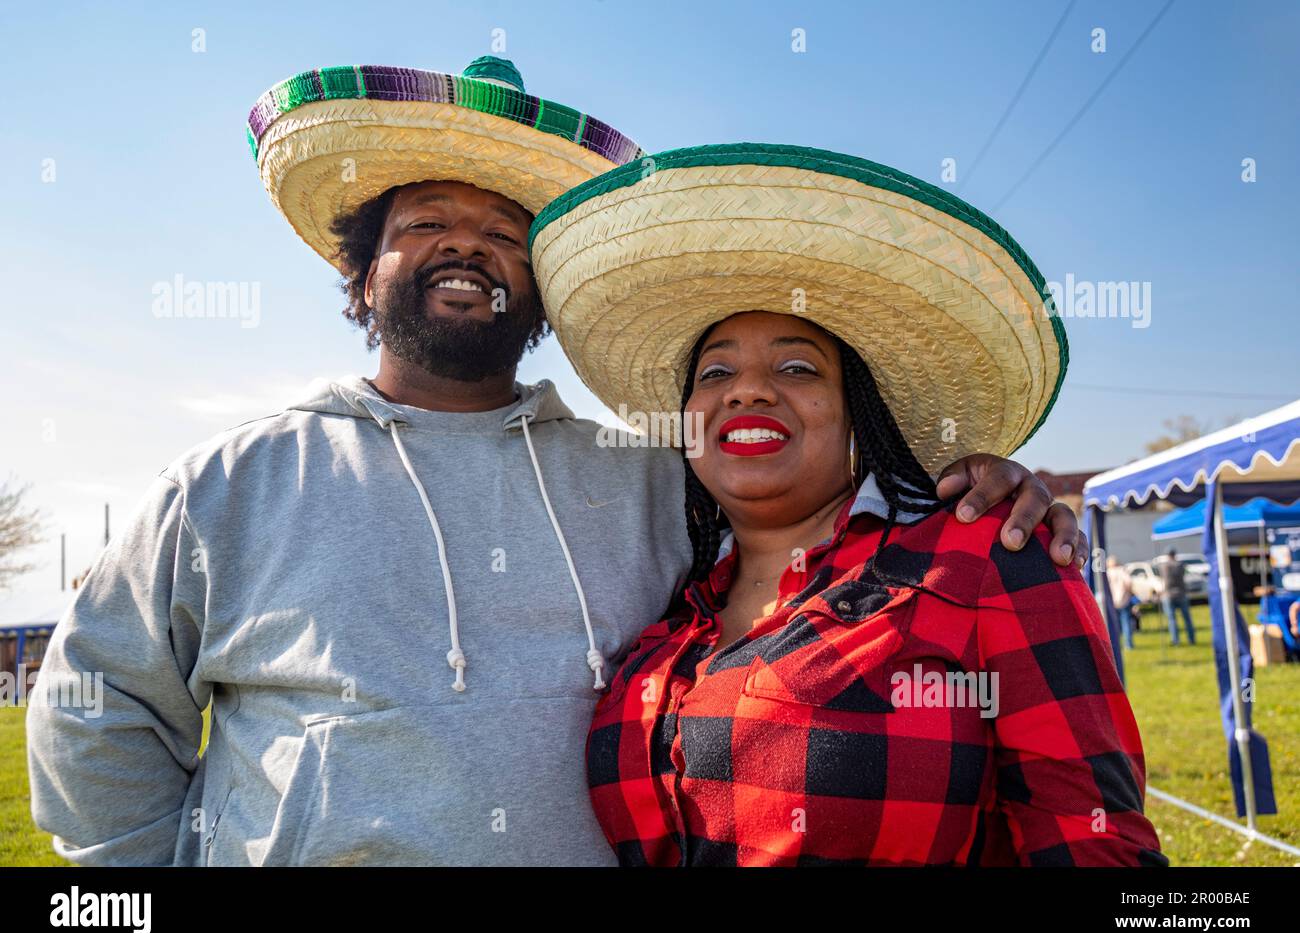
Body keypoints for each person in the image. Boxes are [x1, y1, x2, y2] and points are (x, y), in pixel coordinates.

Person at [27, 64, 1084, 867]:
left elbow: (816, 508)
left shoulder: (652, 477)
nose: (469, 247)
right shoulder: (230, 483)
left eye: (506, 232)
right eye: (426, 222)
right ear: (363, 271)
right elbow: (94, 705)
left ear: (544, 288)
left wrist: (982, 477)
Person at [530, 143, 1166, 865]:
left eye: (797, 367)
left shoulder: (986, 557)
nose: (748, 390)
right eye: (716, 373)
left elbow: (1098, 844)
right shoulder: (667, 613)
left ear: (859, 416)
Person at [1158, 547, 1196, 645]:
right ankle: (1191, 639)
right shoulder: (1180, 565)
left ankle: (1175, 640)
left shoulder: (1164, 566)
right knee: (1187, 618)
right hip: (1181, 593)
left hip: (1168, 594)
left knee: (1172, 619)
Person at [1107, 556, 1136, 650]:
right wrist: (1130, 592)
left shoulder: (1107, 573)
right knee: (1126, 622)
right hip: (1124, 600)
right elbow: (1129, 583)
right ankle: (1128, 644)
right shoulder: (1121, 570)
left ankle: (1115, 644)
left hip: (1112, 601)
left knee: (1114, 624)